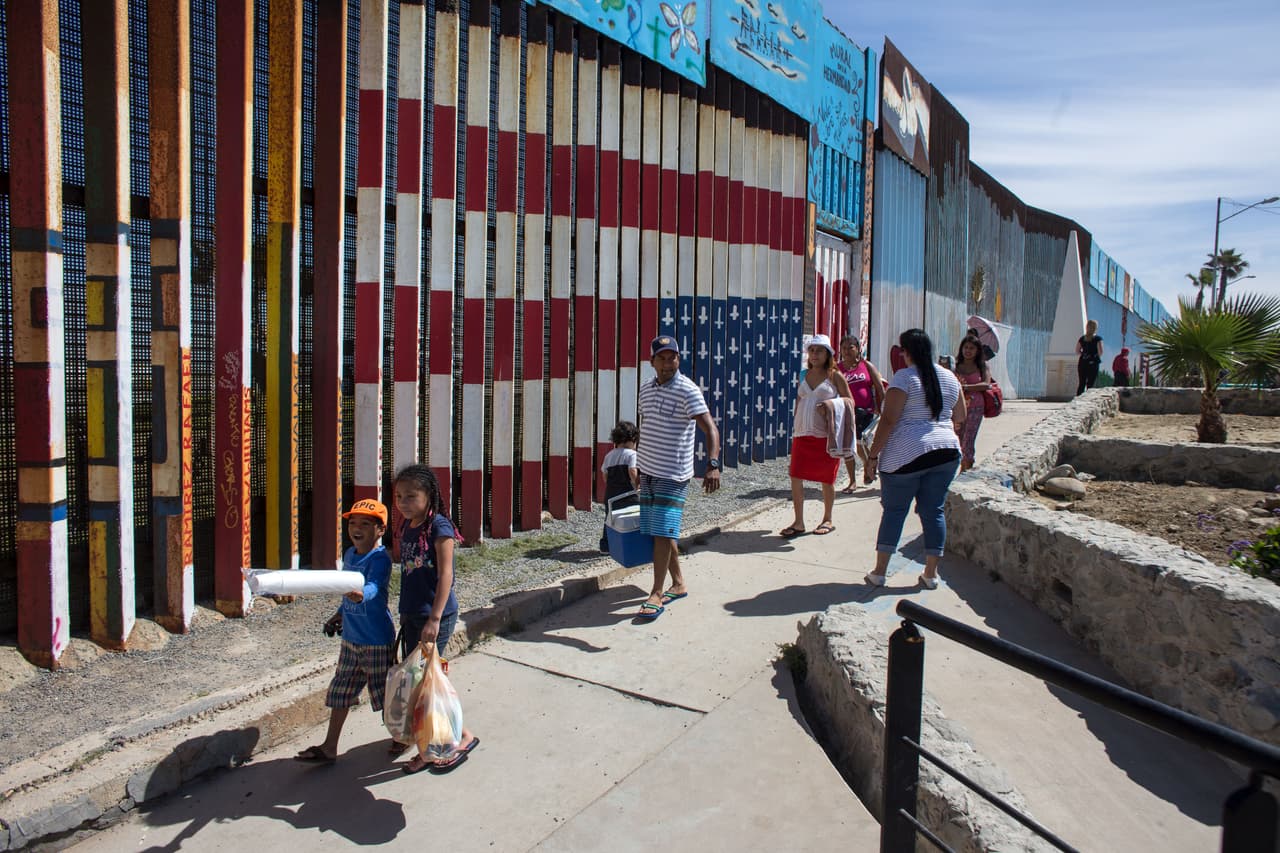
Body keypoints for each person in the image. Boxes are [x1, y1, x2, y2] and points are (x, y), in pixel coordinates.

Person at [295, 498, 396, 765]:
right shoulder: (350, 555)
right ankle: (330, 747)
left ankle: (405, 735)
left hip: (376, 642)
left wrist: (359, 594)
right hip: (351, 640)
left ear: (381, 530)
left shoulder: (380, 559)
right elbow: (345, 590)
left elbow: (373, 589)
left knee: (386, 697)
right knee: (340, 693)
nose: (356, 528)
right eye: (352, 522)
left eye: (365, 523)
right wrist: (339, 615)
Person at [393, 465, 480, 774]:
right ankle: (443, 735)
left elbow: (446, 576)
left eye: (411, 496)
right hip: (413, 615)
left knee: (425, 684)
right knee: (422, 682)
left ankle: (439, 744)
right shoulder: (408, 525)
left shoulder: (439, 527)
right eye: (399, 496)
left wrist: (435, 618)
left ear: (429, 495)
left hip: (435, 617)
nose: (403, 502)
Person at [863, 329, 966, 590]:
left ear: (905, 352)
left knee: (895, 512)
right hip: (946, 451)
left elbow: (889, 419)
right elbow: (960, 416)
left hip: (906, 453)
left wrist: (873, 455)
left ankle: (880, 572)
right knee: (934, 512)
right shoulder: (950, 377)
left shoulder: (905, 378)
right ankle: (931, 574)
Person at [634, 335, 721, 620]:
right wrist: (638, 464)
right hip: (648, 469)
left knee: (661, 531)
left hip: (673, 473)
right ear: (652, 362)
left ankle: (656, 594)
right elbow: (646, 427)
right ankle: (679, 583)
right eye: (662, 357)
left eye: (673, 357)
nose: (668, 363)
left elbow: (710, 429)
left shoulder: (688, 390)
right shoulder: (646, 389)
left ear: (679, 360)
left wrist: (713, 464)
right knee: (661, 530)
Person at [781, 334, 852, 537]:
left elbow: (849, 402)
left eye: (819, 351)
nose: (814, 355)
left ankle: (828, 518)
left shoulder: (835, 376)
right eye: (811, 350)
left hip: (825, 436)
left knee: (826, 479)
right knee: (795, 475)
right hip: (802, 433)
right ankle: (799, 521)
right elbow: (799, 400)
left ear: (828, 354)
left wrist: (831, 406)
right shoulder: (803, 375)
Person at [836, 335, 886, 493]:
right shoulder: (837, 368)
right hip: (845, 412)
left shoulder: (866, 365)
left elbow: (879, 387)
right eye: (844, 347)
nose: (847, 350)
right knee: (849, 447)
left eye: (851, 347)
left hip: (866, 412)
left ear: (857, 349)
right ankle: (852, 481)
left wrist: (882, 407)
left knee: (862, 443)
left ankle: (868, 464)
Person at [599, 420, 640, 552]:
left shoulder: (609, 455)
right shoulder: (632, 454)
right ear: (632, 440)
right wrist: (637, 483)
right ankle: (629, 543)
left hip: (611, 493)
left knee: (610, 520)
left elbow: (604, 474)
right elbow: (632, 470)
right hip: (627, 494)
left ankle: (605, 546)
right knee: (630, 518)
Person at [953, 336, 991, 472]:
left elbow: (986, 384)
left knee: (968, 441)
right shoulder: (955, 365)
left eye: (972, 348)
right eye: (966, 347)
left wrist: (966, 387)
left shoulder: (982, 365)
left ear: (977, 350)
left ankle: (965, 472)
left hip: (975, 408)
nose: (968, 351)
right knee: (956, 439)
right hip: (956, 408)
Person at [1076, 320, 1104, 395]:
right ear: (1095, 328)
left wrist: (1084, 354)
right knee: (1091, 384)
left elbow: (1077, 350)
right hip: (1093, 363)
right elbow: (1100, 352)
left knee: (1082, 383)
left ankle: (1078, 398)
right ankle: (1088, 400)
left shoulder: (1082, 338)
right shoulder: (1098, 339)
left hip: (1083, 362)